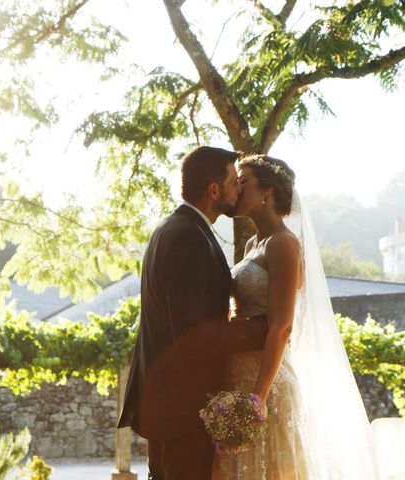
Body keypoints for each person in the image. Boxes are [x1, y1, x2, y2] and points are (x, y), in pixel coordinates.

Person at [213, 154, 379, 479]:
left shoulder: (284, 244)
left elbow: (282, 324)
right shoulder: (252, 244)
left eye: (244, 181)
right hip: (238, 374)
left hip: (266, 381)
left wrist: (258, 396)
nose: (237, 187)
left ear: (268, 192)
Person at [117, 146, 269, 480]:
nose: (238, 189)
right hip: (182, 409)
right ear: (213, 190)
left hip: (168, 403)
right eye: (233, 182)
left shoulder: (177, 228)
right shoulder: (188, 238)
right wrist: (264, 330)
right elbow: (195, 333)